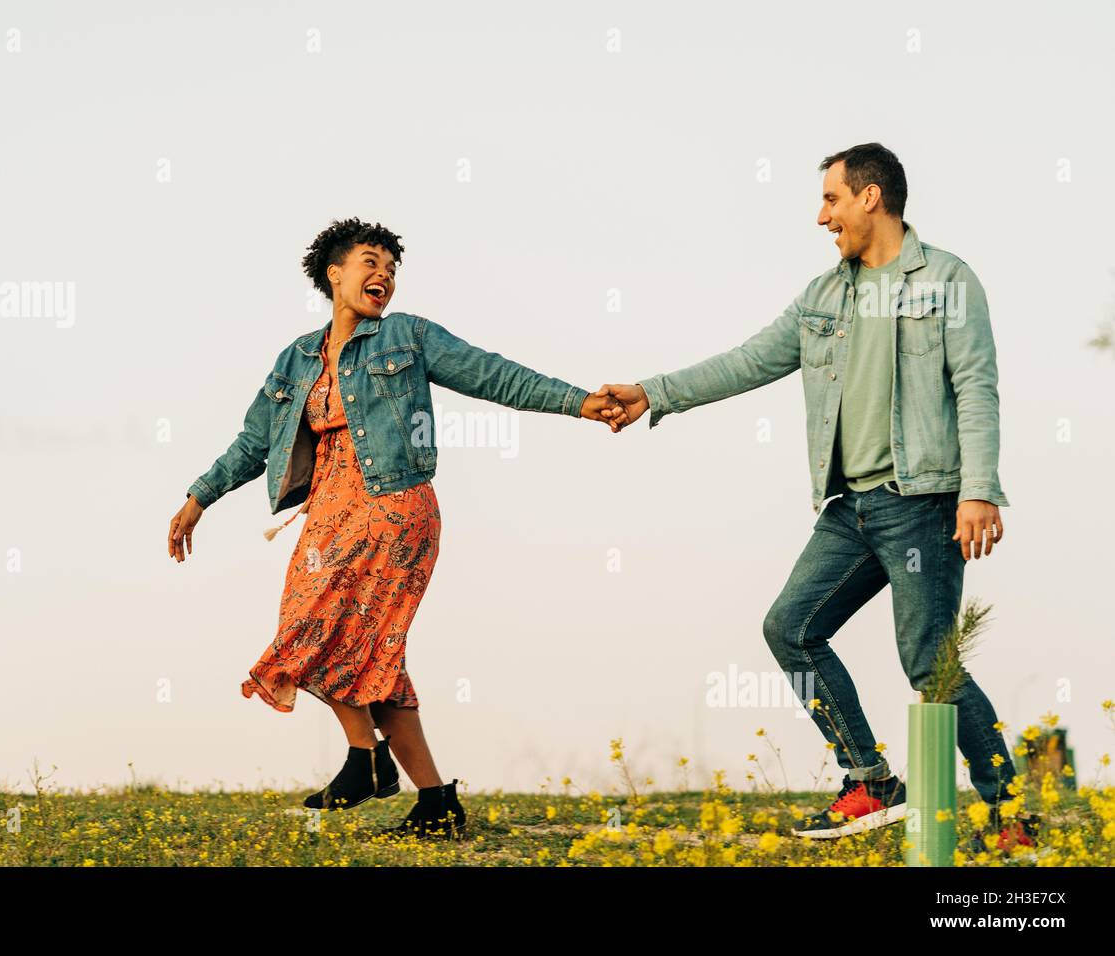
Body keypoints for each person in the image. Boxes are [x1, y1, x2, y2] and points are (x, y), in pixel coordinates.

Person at [599, 144, 1035, 848]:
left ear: (869, 197)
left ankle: (1008, 815)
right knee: (790, 628)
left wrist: (978, 490)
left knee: (929, 662)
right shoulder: (823, 297)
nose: (821, 216)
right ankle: (869, 779)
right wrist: (653, 392)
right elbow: (746, 361)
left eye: (830, 199)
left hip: (923, 501)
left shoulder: (948, 281)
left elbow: (975, 387)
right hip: (850, 508)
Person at [168, 217, 616, 839]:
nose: (383, 276)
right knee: (372, 658)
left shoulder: (407, 336)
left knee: (311, 628)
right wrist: (200, 496)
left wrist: (579, 401)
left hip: (395, 510)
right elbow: (254, 439)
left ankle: (366, 759)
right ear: (334, 272)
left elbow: (494, 374)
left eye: (391, 268)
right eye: (369, 263)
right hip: (327, 513)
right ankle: (434, 803)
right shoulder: (297, 358)